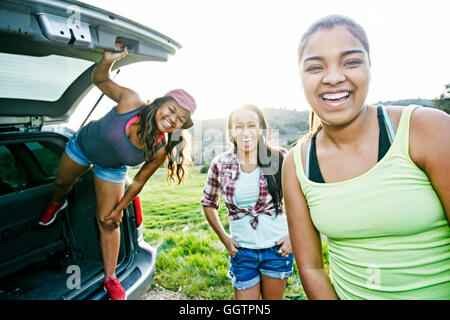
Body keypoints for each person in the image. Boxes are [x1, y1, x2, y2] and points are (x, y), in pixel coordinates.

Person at [282, 14, 450, 300]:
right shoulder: (296, 164)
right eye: (315, 67)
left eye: (351, 61)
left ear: (370, 67)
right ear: (300, 79)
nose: (334, 77)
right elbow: (311, 268)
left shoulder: (428, 129)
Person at [38, 42, 197, 300]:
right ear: (160, 103)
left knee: (109, 222)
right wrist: (108, 60)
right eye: (172, 110)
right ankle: (57, 203)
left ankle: (110, 278)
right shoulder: (131, 101)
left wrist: (119, 208)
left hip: (111, 169)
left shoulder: (159, 148)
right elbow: (99, 79)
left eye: (180, 119)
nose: (173, 119)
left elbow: (137, 183)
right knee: (60, 185)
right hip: (82, 147)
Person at [201, 104, 293, 300]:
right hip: (242, 253)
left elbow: (302, 199)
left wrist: (292, 236)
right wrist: (225, 239)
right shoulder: (221, 163)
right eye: (239, 126)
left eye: (251, 125)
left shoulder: (280, 157)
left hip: (277, 250)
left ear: (261, 129)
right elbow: (208, 202)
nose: (245, 132)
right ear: (231, 131)